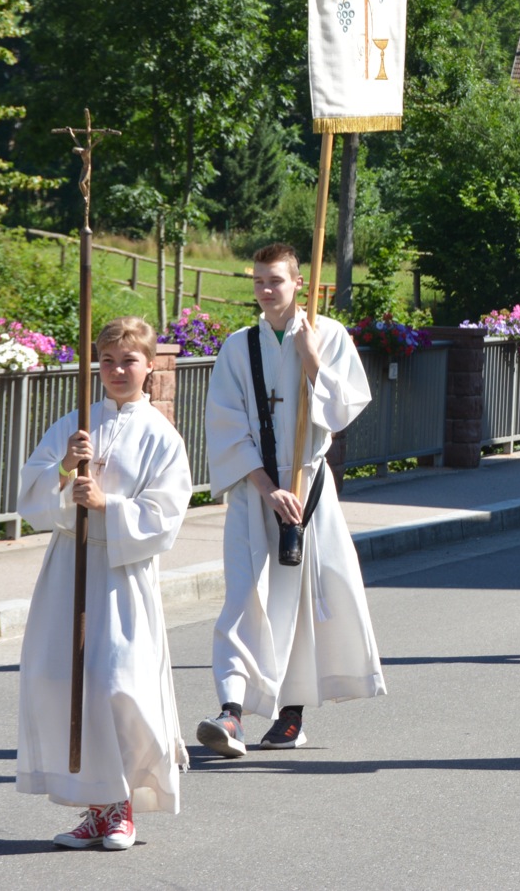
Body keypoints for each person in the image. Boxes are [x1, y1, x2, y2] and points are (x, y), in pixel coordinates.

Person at [198, 243, 383, 757]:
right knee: (243, 597)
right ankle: (231, 712)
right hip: (255, 488)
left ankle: (291, 714)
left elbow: (344, 409)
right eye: (258, 280)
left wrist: (312, 359)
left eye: (275, 280)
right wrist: (265, 487)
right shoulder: (238, 346)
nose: (265, 289)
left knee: (298, 603)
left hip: (307, 486)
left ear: (299, 283)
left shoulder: (329, 335)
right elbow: (226, 427)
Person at [16, 317, 191, 852]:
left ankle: (122, 806)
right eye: (108, 360)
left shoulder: (161, 435)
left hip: (120, 574)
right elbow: (30, 493)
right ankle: (96, 809)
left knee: (117, 685)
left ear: (149, 366)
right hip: (69, 565)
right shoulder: (76, 422)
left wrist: (107, 505)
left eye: (129, 361)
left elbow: (165, 516)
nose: (117, 370)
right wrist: (65, 468)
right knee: (61, 680)